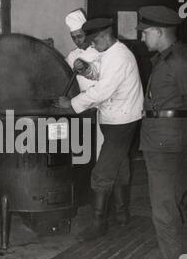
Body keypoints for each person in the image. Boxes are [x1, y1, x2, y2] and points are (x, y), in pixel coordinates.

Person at [55, 18, 144, 235]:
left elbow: (103, 90)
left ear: (104, 36)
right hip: (117, 117)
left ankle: (98, 225)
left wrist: (71, 104)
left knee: (101, 173)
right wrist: (86, 69)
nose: (91, 46)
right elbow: (97, 74)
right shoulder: (109, 52)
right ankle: (122, 215)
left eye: (94, 42)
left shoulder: (120, 56)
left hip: (121, 120)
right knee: (120, 165)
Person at [137, 5, 187, 259]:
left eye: (145, 32)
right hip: (164, 142)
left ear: (158, 31)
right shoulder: (168, 58)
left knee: (165, 213)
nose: (143, 37)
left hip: (168, 147)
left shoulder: (179, 60)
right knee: (173, 210)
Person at [65, 8, 99, 91]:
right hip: (78, 100)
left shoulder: (100, 51)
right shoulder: (71, 55)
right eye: (73, 37)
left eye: (79, 36)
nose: (77, 41)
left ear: (87, 34)